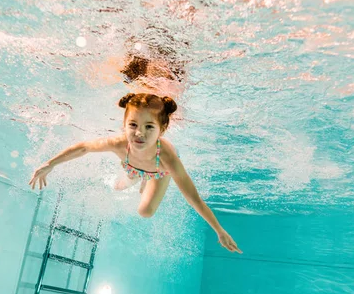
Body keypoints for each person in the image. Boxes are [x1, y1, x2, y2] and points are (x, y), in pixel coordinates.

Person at [29, 92, 241, 254]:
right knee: (120, 186)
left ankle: (145, 183)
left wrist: (219, 230)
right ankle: (137, 180)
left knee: (145, 211)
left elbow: (193, 198)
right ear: (124, 124)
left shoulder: (168, 158)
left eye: (149, 127)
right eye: (133, 125)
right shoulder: (119, 143)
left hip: (158, 171)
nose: (139, 133)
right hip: (131, 165)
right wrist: (51, 163)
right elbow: (84, 147)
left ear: (162, 129)